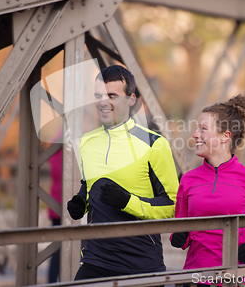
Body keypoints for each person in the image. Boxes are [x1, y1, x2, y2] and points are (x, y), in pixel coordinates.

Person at [66, 65, 179, 279]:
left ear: (131, 99)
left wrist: (128, 202)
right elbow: (90, 185)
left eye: (112, 95)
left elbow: (173, 206)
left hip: (141, 263)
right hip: (94, 260)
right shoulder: (86, 143)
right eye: (98, 95)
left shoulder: (154, 144)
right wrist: (81, 201)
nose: (103, 102)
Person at [170, 84, 245, 285]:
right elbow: (181, 227)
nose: (195, 135)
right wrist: (178, 236)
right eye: (196, 128)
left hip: (237, 280)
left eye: (203, 129)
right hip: (195, 280)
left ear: (225, 136)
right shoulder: (188, 180)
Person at [47, 147, 62, 283]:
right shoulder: (68, 152)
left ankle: (51, 282)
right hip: (64, 205)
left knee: (56, 250)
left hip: (55, 205)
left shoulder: (54, 153)